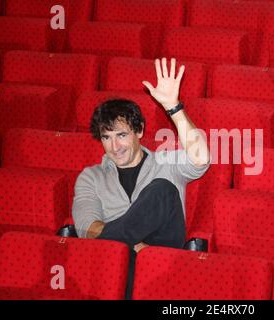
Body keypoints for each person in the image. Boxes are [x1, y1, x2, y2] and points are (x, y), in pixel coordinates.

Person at [72, 58, 210, 298]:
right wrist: (134, 245)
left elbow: (201, 158)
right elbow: (88, 228)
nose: (115, 146)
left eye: (122, 135)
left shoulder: (166, 162)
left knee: (163, 188)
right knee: (125, 264)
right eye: (106, 137)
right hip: (116, 261)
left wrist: (174, 107)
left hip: (162, 254)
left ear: (140, 131)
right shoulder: (90, 177)